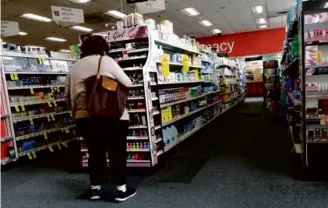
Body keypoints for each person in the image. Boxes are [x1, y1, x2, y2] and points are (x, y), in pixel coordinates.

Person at [64, 35, 136, 202]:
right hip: (111, 116)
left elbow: (67, 96)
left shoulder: (74, 68)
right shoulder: (106, 61)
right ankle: (121, 190)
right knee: (116, 152)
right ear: (104, 48)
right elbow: (128, 82)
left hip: (84, 118)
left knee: (95, 153)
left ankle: (96, 190)